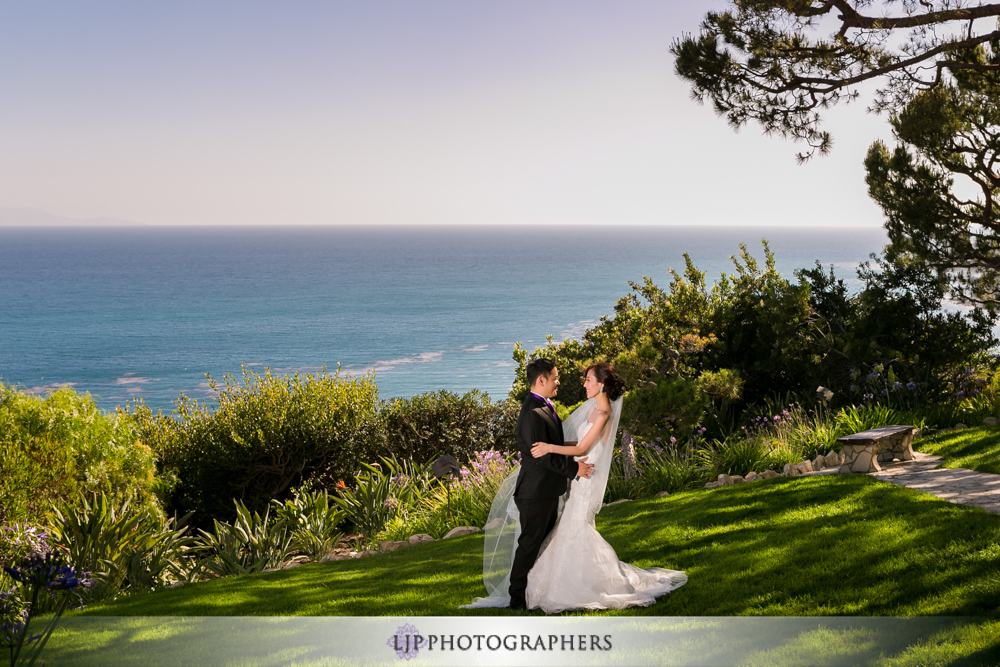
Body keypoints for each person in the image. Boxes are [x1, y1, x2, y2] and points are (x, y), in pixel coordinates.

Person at [462, 361, 687, 613]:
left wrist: (553, 448)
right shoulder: (535, 412)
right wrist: (568, 464)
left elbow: (578, 447)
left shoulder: (594, 413)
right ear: (541, 381)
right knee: (538, 542)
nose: (575, 383)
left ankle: (560, 586)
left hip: (570, 485)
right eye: (555, 377)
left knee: (560, 536)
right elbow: (558, 450)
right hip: (539, 491)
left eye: (588, 380)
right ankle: (519, 598)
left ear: (601, 385)